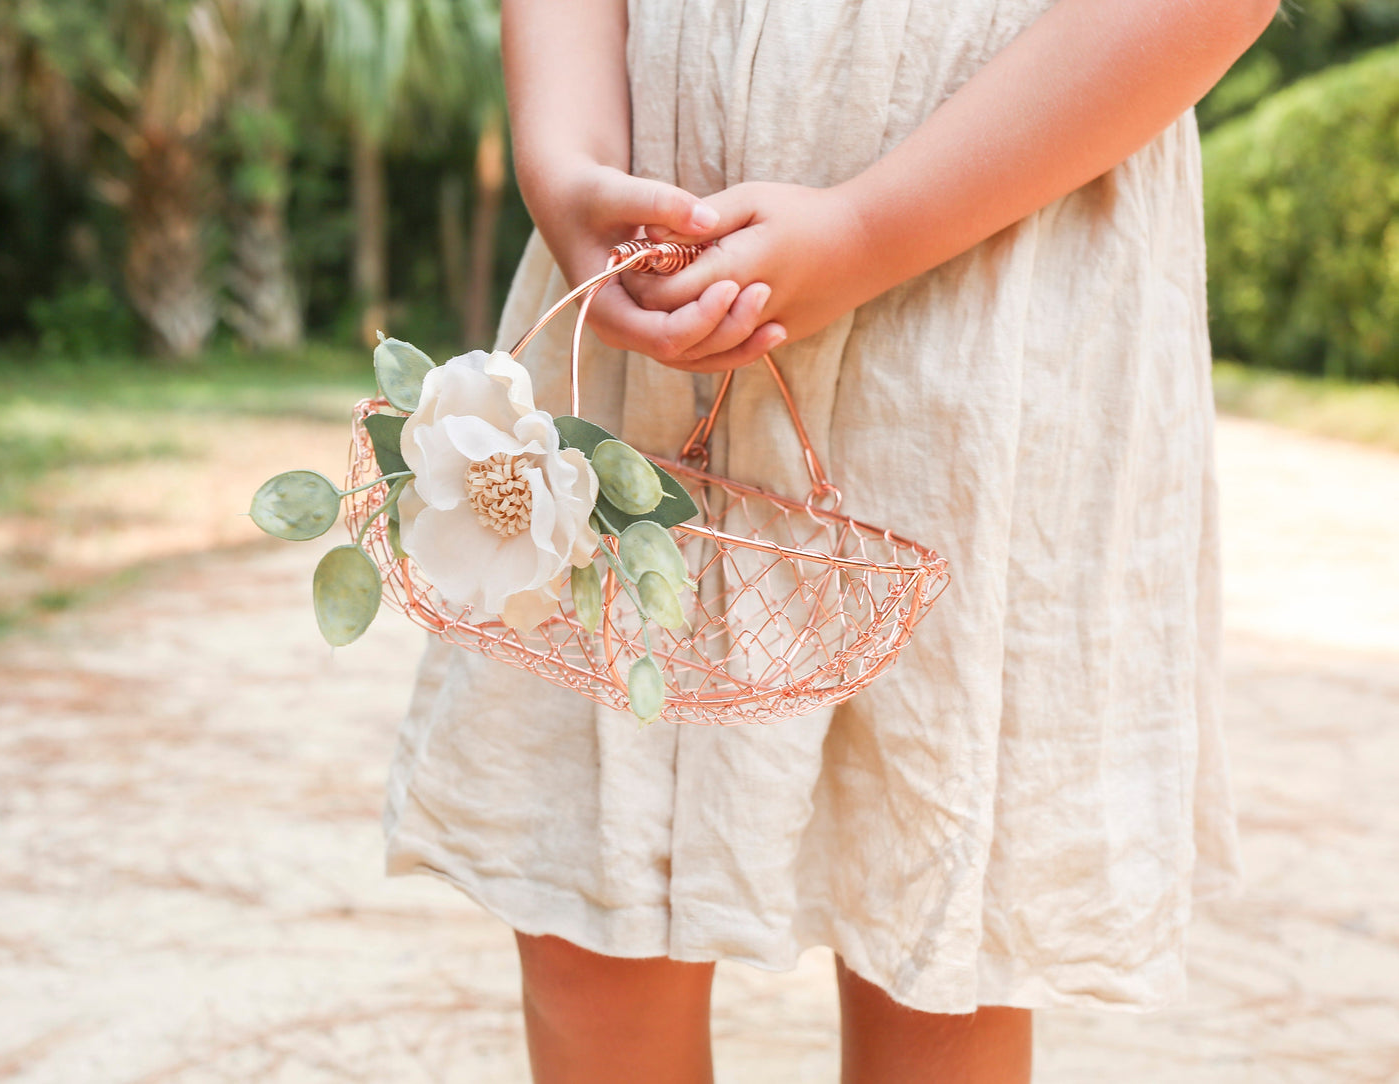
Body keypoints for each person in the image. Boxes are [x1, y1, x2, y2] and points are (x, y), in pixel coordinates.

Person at [384, 1, 1275, 1080]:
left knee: (933, 936)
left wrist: (866, 230)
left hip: (989, 247)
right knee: (589, 908)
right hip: (652, 243)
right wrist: (563, 158)